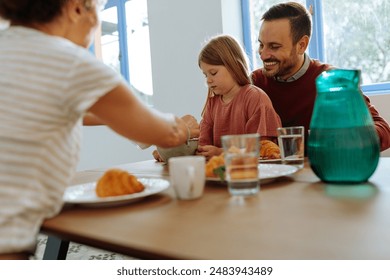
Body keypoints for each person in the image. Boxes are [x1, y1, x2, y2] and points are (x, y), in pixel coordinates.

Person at [0, 0, 199, 259]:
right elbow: (163, 134)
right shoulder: (69, 61)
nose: (95, 29)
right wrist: (183, 127)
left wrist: (120, 116)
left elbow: (77, 112)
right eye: (98, 9)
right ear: (76, 8)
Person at [251, 2, 390, 151]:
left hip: (320, 172)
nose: (263, 54)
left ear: (302, 45)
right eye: (261, 45)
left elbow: (383, 129)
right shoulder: (254, 83)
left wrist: (342, 138)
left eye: (274, 47)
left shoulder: (333, 82)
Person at [195, 34, 281, 160]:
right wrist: (171, 152)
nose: (208, 80)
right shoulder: (212, 104)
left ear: (233, 65)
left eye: (213, 73)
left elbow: (263, 150)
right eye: (205, 75)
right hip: (222, 174)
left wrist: (221, 153)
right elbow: (202, 145)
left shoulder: (255, 98)